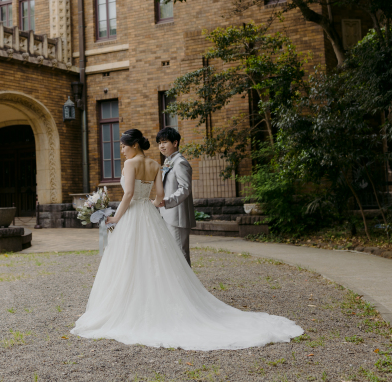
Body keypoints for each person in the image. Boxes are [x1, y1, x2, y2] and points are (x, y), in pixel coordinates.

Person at [71, 129, 303, 350]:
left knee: (130, 258)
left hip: (131, 214)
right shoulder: (155, 164)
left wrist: (115, 218)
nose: (121, 151)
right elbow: (160, 196)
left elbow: (129, 194)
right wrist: (150, 205)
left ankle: (131, 304)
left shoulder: (130, 164)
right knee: (159, 257)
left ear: (133, 145)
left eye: (123, 146)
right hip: (150, 214)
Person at [154, 127, 196, 265]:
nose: (161, 146)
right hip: (166, 213)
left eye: (164, 142)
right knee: (170, 255)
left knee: (180, 254)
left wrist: (167, 202)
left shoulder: (180, 163)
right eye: (159, 142)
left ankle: (186, 286)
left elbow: (185, 188)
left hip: (177, 216)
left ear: (175, 143)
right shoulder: (168, 161)